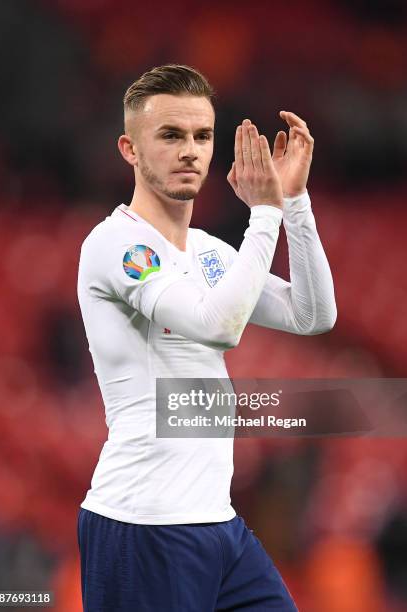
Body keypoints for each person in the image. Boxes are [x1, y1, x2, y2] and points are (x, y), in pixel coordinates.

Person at [77, 64, 336, 611]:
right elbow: (219, 323)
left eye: (201, 135)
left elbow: (313, 315)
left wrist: (294, 204)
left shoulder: (208, 252)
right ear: (130, 148)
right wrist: (263, 214)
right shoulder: (117, 245)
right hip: (143, 525)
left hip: (217, 524)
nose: (190, 150)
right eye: (170, 135)